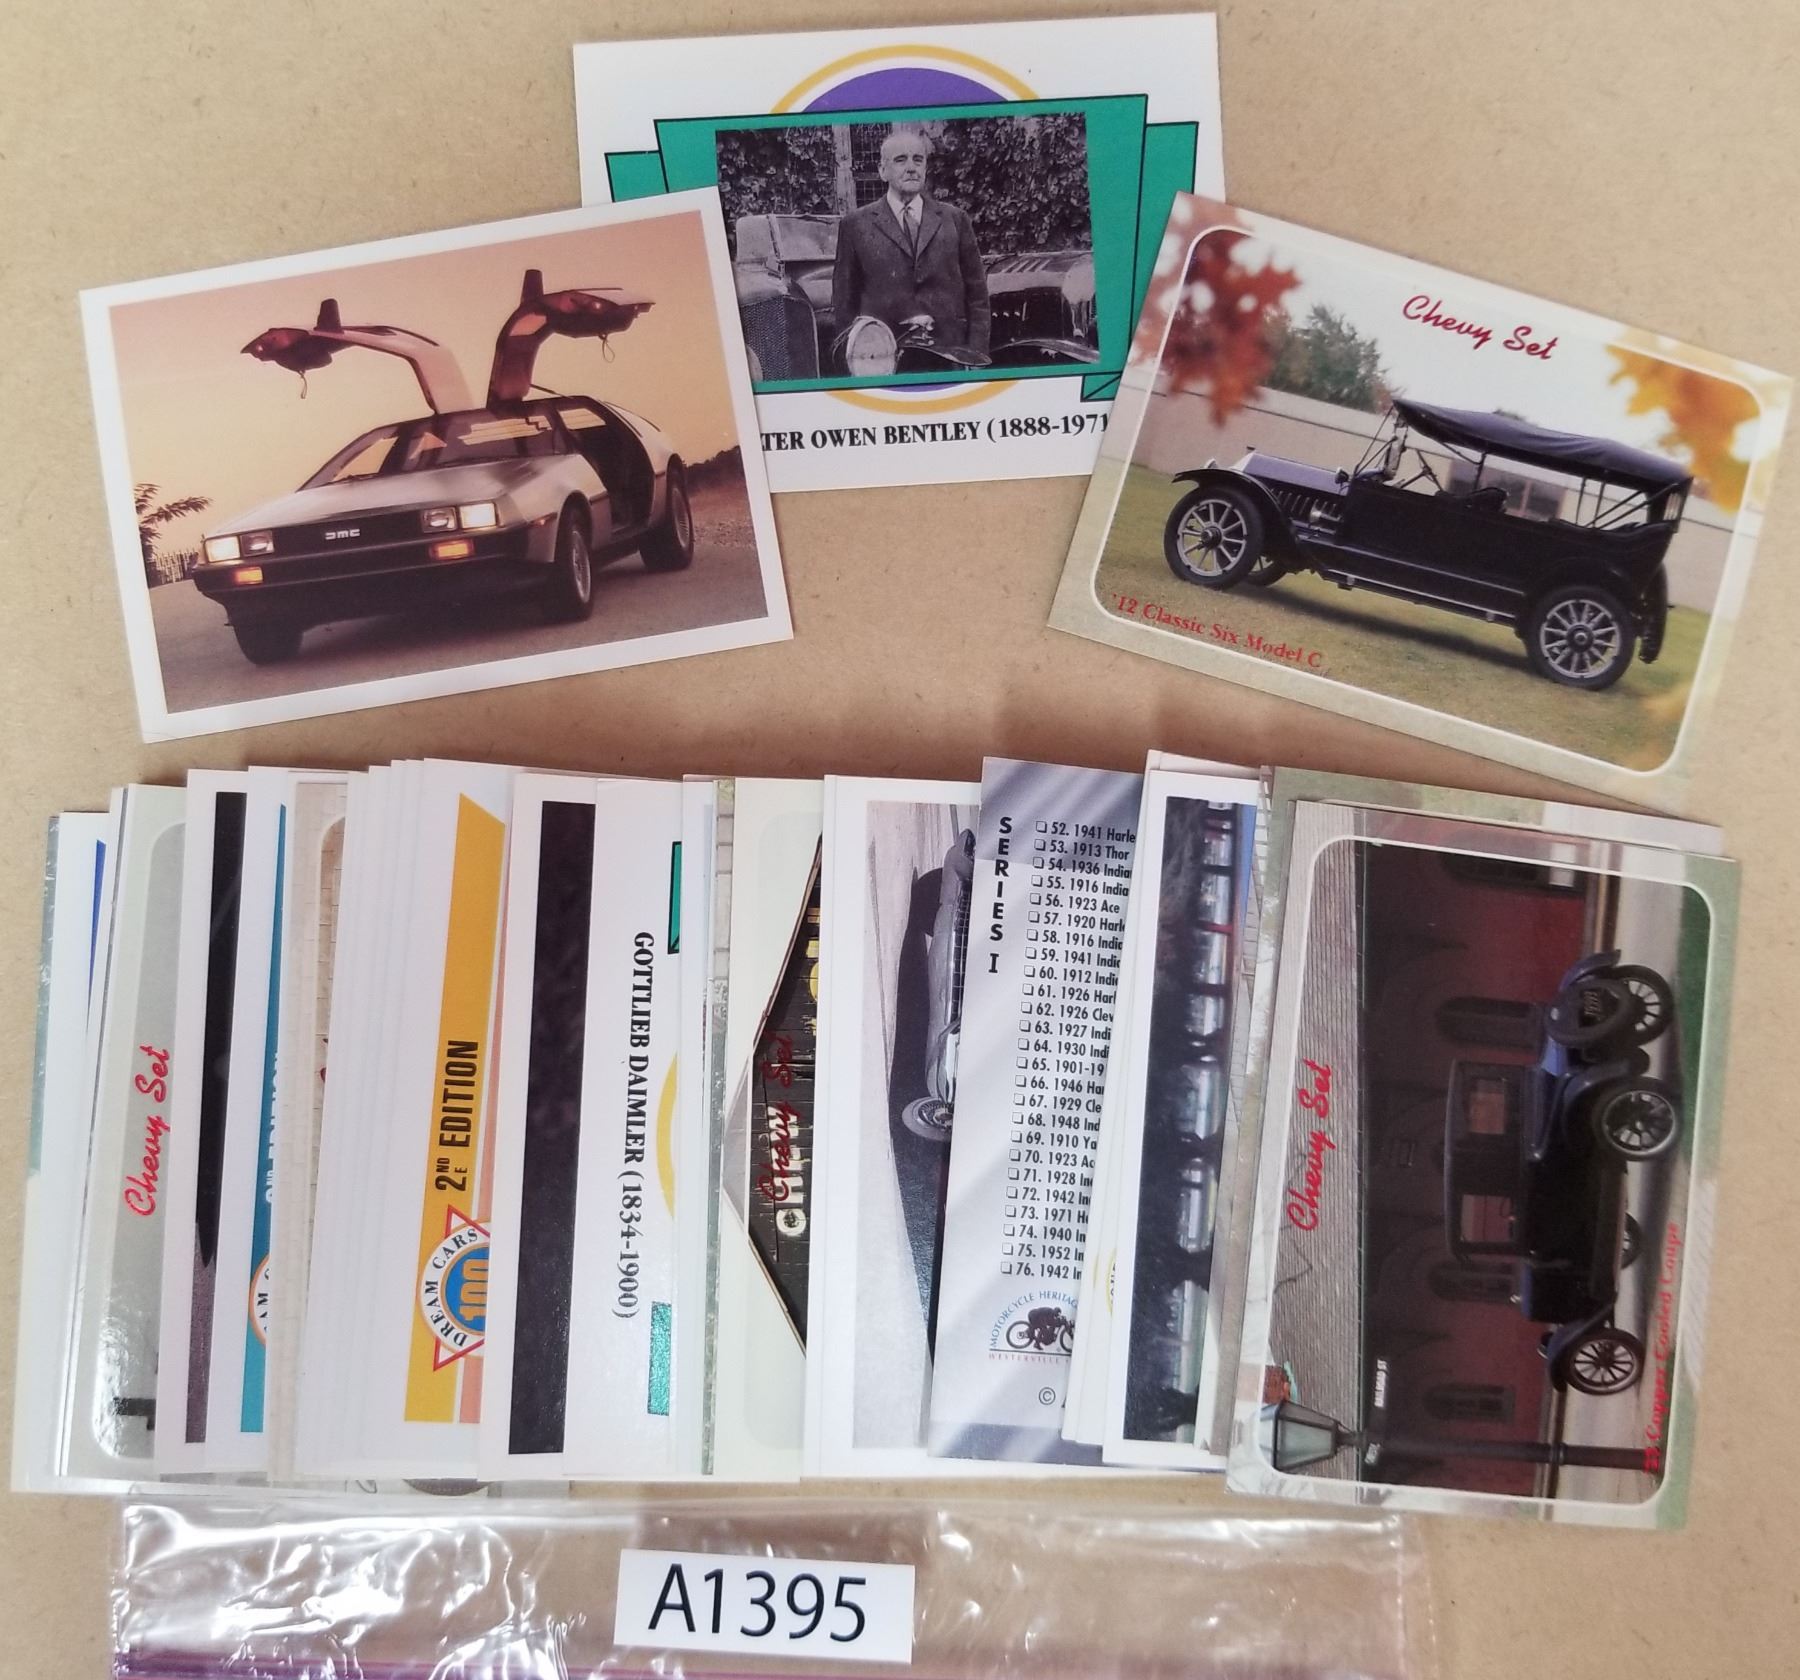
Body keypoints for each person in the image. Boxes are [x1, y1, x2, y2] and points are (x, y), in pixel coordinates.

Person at [830, 129, 991, 362]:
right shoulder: (855, 225)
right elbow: (845, 304)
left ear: (925, 167)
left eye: (918, 159)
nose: (911, 168)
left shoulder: (955, 219)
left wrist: (976, 356)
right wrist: (857, 363)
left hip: (950, 356)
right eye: (900, 160)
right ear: (882, 171)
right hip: (884, 359)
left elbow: (978, 297)